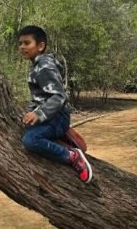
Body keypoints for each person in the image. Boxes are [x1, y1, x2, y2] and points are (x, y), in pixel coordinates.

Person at [18, 25, 92, 183]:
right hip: (53, 116)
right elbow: (40, 97)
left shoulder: (44, 67)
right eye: (21, 43)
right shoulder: (39, 66)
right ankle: (61, 133)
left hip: (57, 116)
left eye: (27, 43)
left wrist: (38, 114)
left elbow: (59, 96)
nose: (22, 47)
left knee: (30, 140)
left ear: (40, 46)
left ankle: (72, 156)